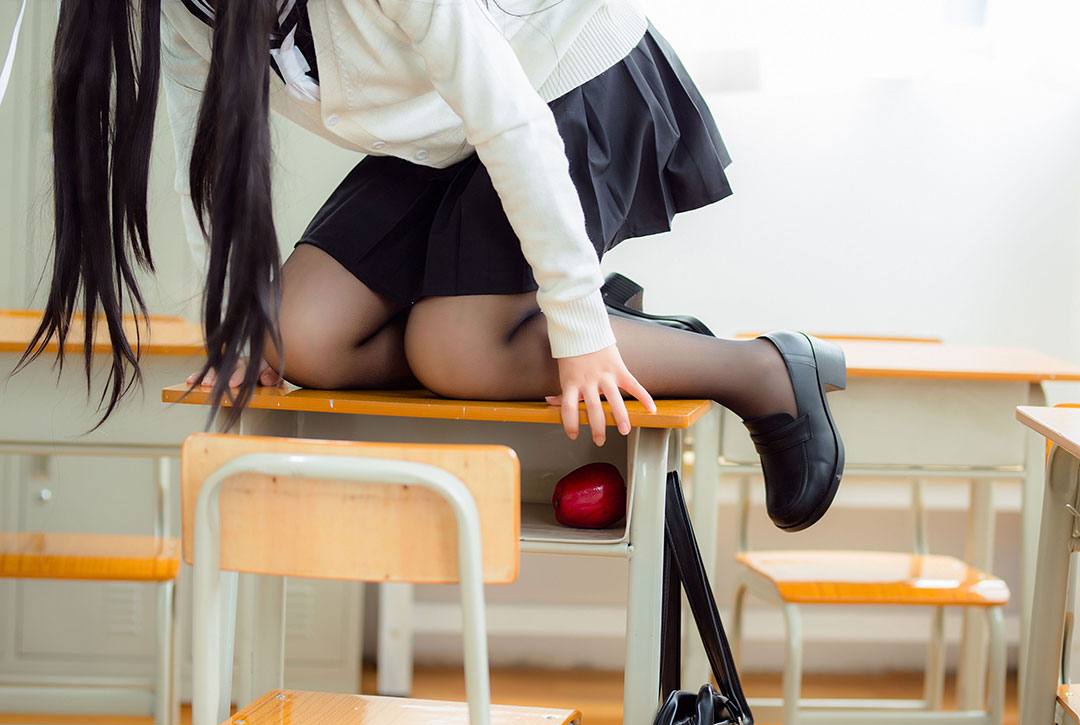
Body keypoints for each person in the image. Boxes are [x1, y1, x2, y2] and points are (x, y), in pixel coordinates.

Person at [23, 0, 845, 531]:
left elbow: (511, 122)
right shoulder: (182, 10)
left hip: (561, 83)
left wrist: (579, 324)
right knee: (295, 334)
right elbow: (201, 156)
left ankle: (761, 370)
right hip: (439, 132)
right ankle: (546, 323)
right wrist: (231, 319)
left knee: (455, 351)